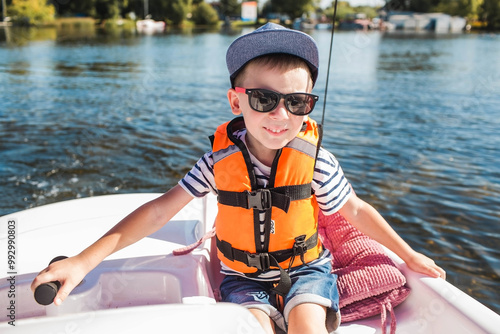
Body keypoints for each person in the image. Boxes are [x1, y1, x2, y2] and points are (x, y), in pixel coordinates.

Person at [31, 23, 445, 334]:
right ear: (236, 101)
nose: (280, 116)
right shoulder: (217, 163)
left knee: (306, 324)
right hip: (241, 277)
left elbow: (355, 209)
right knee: (248, 327)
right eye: (264, 99)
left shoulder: (317, 162)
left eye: (296, 102)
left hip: (306, 269)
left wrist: (409, 257)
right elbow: (160, 211)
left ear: (308, 107)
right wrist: (83, 261)